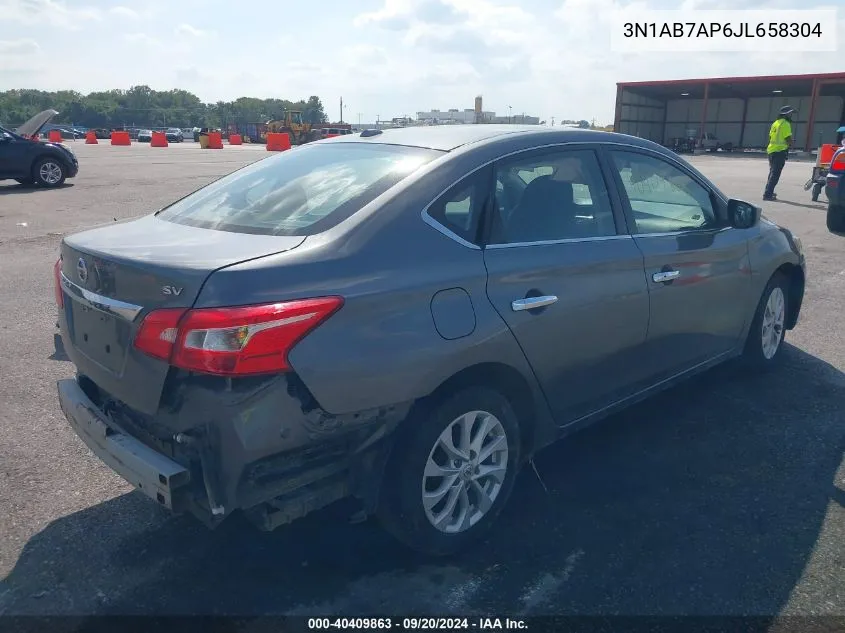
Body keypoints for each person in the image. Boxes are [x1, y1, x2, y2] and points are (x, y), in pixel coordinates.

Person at [764, 105, 796, 201]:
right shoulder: (785, 124)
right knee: (775, 174)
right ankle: (767, 194)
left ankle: (768, 191)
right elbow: (787, 139)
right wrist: (792, 143)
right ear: (786, 114)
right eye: (790, 113)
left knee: (772, 173)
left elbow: (771, 137)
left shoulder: (775, 123)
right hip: (779, 151)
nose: (791, 115)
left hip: (771, 150)